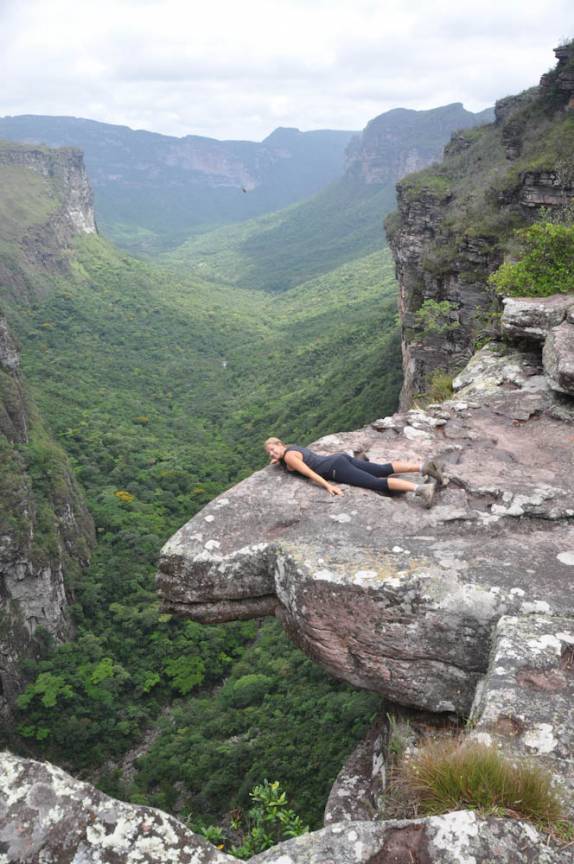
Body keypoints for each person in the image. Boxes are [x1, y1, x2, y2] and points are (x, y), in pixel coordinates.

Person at [264, 437, 443, 508]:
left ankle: (421, 489)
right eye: (269, 452)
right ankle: (424, 467)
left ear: (280, 444)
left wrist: (328, 486)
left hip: (335, 470)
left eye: (274, 448)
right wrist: (278, 459)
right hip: (339, 458)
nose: (272, 453)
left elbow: (309, 472)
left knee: (376, 482)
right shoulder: (291, 449)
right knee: (382, 469)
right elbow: (293, 459)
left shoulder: (288, 458)